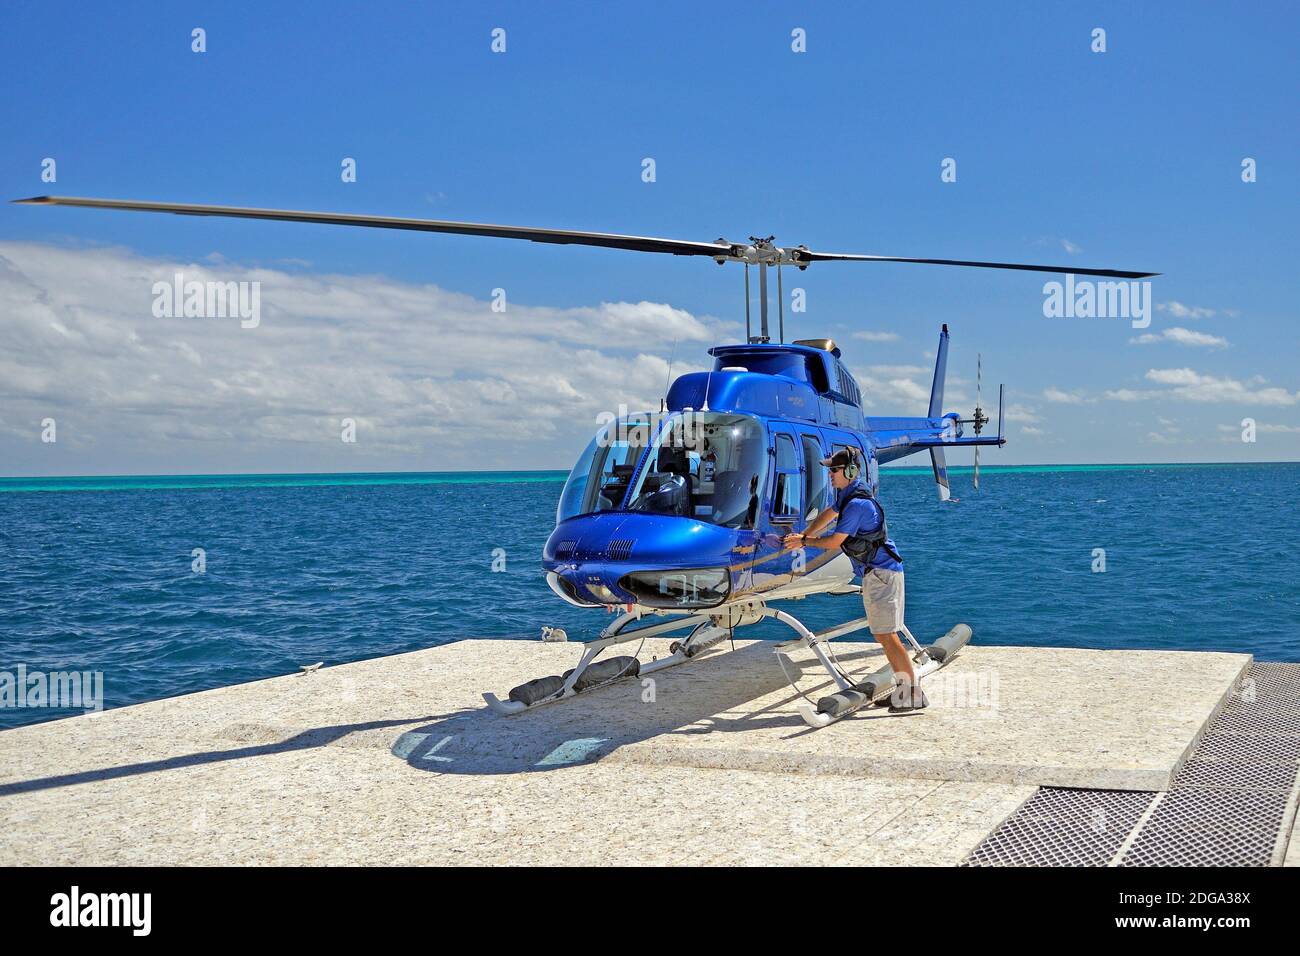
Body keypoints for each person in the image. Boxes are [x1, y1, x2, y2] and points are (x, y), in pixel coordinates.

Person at [782, 448, 927, 712]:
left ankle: (912, 693)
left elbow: (835, 542)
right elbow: (828, 513)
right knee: (884, 634)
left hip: (882, 574)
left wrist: (804, 541)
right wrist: (804, 534)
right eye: (829, 470)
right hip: (877, 573)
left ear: (850, 472)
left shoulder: (857, 504)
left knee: (887, 635)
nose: (830, 475)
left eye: (834, 471)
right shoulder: (848, 496)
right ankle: (903, 689)